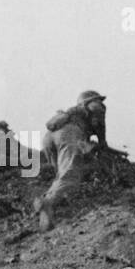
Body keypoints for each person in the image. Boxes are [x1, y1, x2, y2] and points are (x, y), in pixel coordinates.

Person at [33, 90, 108, 231]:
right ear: (90, 100)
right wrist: (103, 141)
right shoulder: (94, 105)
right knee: (71, 175)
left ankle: (47, 202)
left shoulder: (70, 114)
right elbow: (98, 117)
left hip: (49, 138)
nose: (101, 103)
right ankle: (49, 202)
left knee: (61, 175)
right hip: (69, 134)